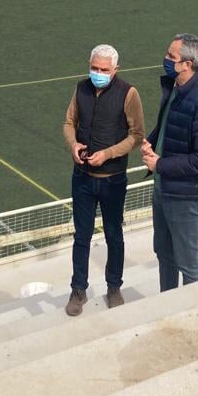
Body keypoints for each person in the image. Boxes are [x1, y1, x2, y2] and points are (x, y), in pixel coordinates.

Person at [62, 44, 145, 315]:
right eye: (94, 68)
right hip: (83, 178)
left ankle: (114, 287)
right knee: (81, 236)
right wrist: (73, 144)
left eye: (104, 70)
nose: (98, 73)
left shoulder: (128, 93)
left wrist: (108, 154)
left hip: (113, 180)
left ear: (115, 70)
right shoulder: (80, 88)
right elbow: (68, 123)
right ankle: (78, 290)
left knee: (114, 235)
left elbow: (136, 135)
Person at [140, 33, 198, 292]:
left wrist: (160, 164)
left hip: (184, 194)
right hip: (163, 187)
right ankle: (166, 301)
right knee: (164, 253)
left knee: (187, 262)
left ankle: (190, 312)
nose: (165, 60)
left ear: (187, 64)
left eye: (170, 56)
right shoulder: (175, 89)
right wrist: (151, 142)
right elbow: (167, 126)